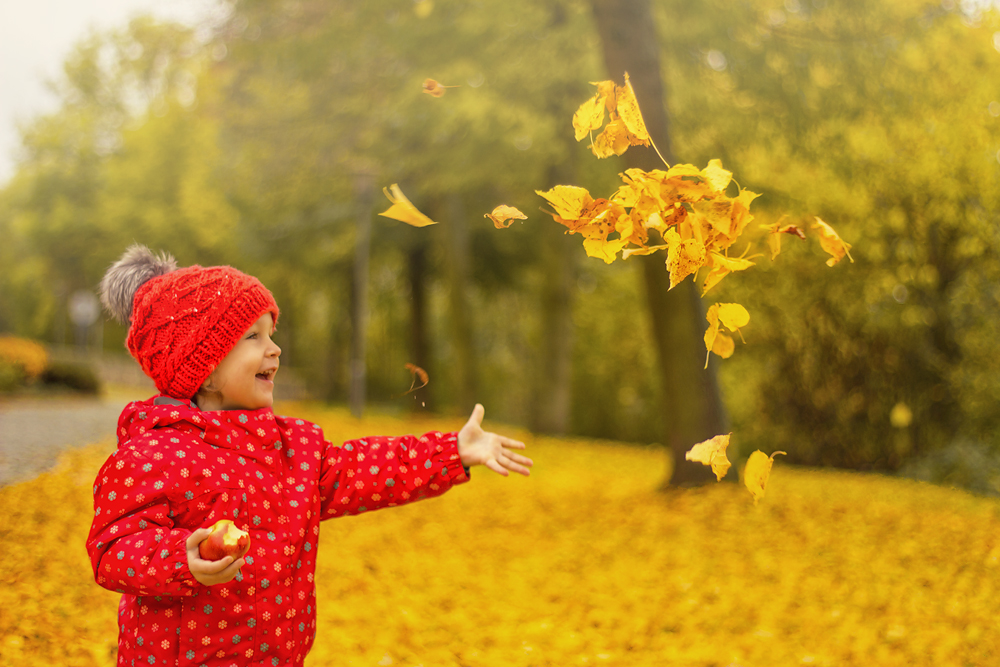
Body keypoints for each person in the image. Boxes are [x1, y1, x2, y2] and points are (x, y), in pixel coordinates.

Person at [86, 244, 532, 667]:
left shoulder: (292, 450)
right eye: (252, 336)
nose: (274, 348)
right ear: (203, 368)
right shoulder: (154, 453)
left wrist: (451, 451)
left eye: (272, 333)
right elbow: (112, 548)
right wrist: (180, 557)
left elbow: (370, 468)